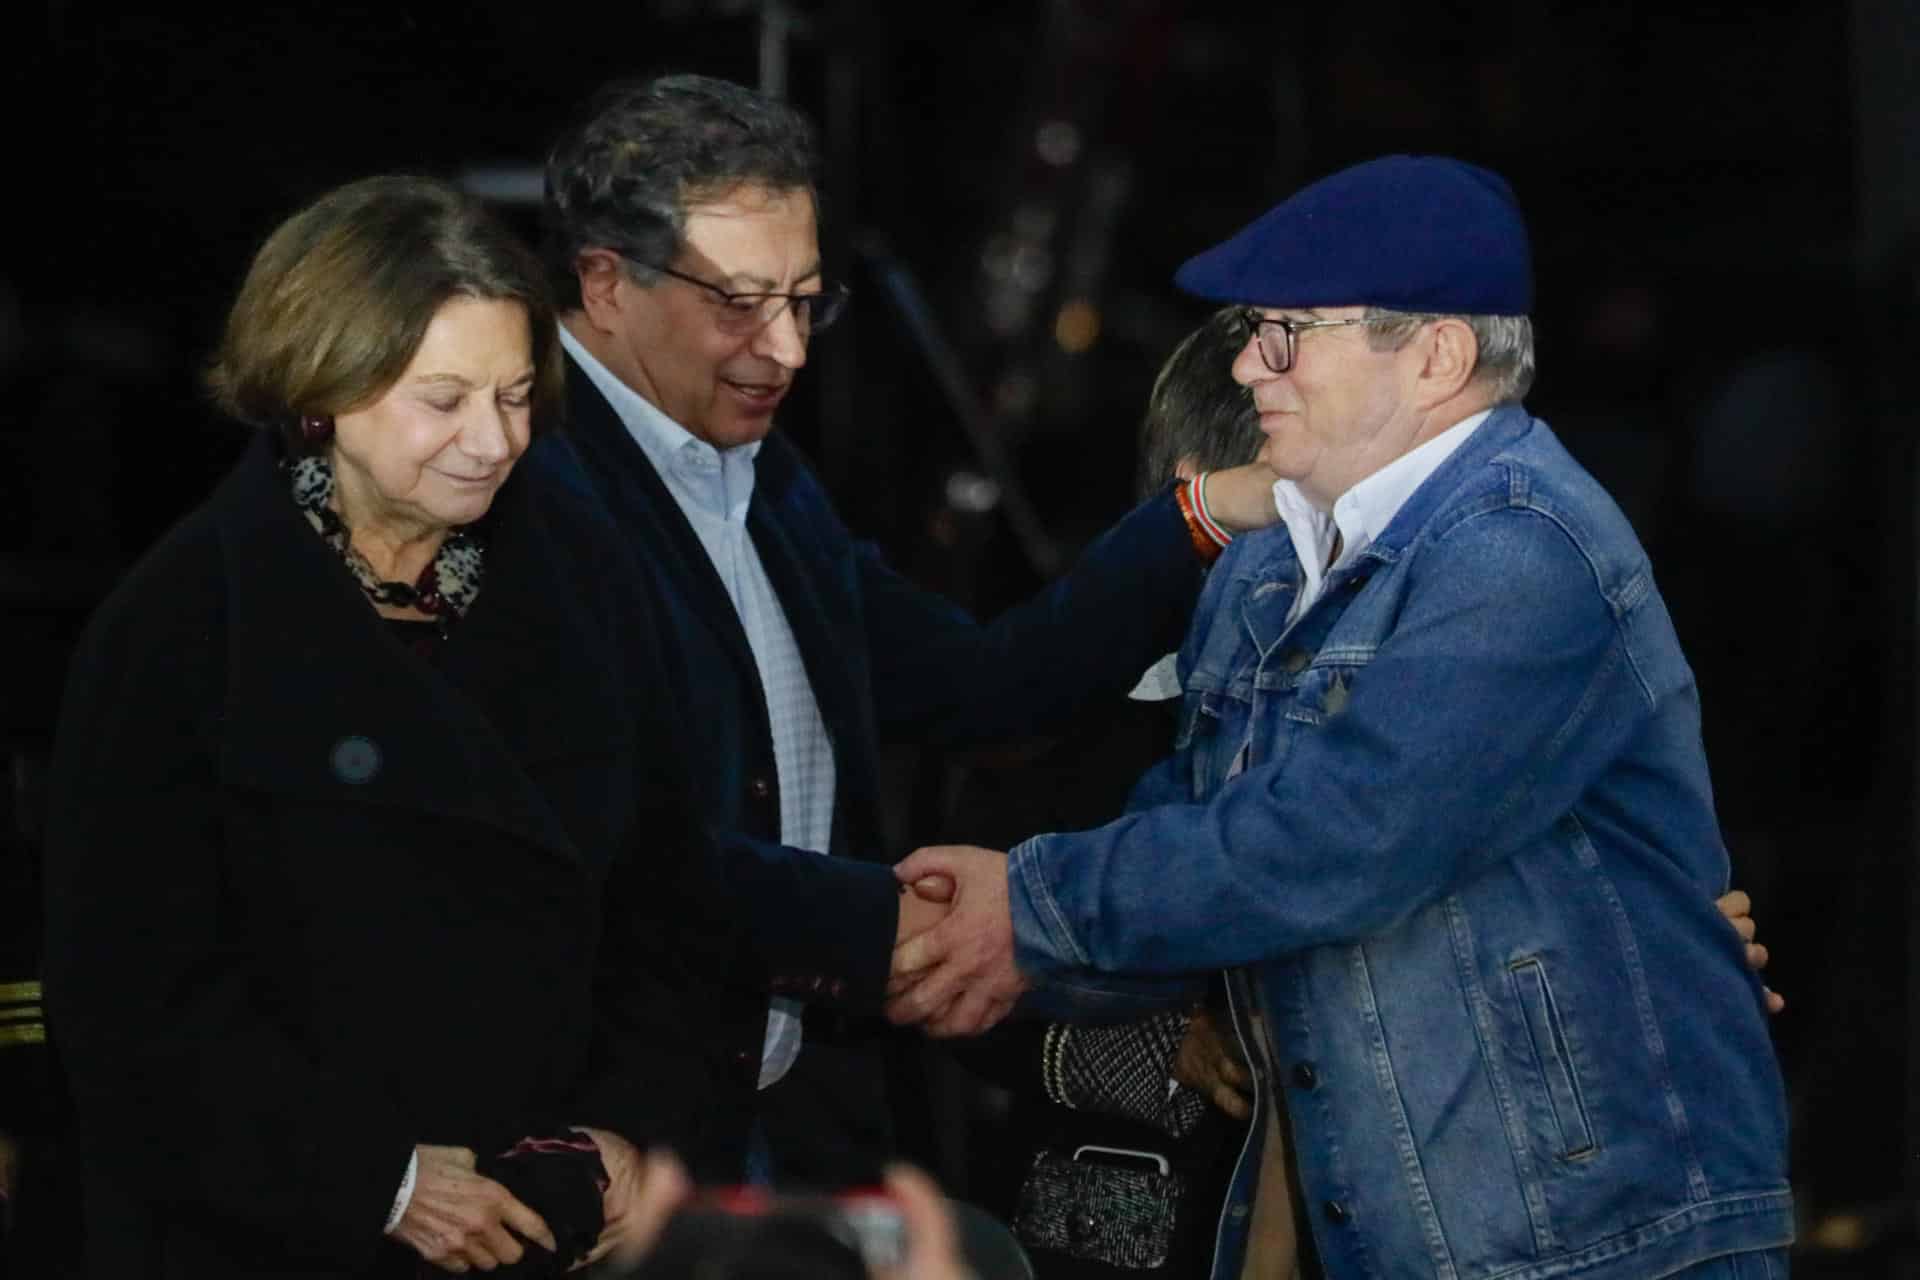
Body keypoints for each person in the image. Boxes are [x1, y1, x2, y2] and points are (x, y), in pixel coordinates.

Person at [886, 155, 1792, 1279]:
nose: (1246, 362)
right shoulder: (1267, 569)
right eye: (1249, 328)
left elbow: (1343, 834)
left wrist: (1022, 908)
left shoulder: (1525, 544)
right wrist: (937, 932)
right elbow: (1198, 826)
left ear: (1437, 355)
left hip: (1595, 1240)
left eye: (1287, 330)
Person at [535, 71, 1284, 1190]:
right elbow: (612, 852)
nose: (786, 351)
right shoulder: (518, 484)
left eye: (806, 301)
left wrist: (1208, 508)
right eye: (739, 304)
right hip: (612, 1154)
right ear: (605, 284)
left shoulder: (766, 472)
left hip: (790, 1125)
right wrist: (894, 926)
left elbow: (989, 685)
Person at [42, 175, 723, 1279]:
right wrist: (381, 1178)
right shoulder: (182, 619)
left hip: (555, 1220)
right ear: (324, 388)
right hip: (279, 1235)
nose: (493, 440)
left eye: (514, 394)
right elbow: (129, 999)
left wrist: (631, 1134)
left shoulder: (586, 572)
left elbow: (672, 890)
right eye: (441, 398)